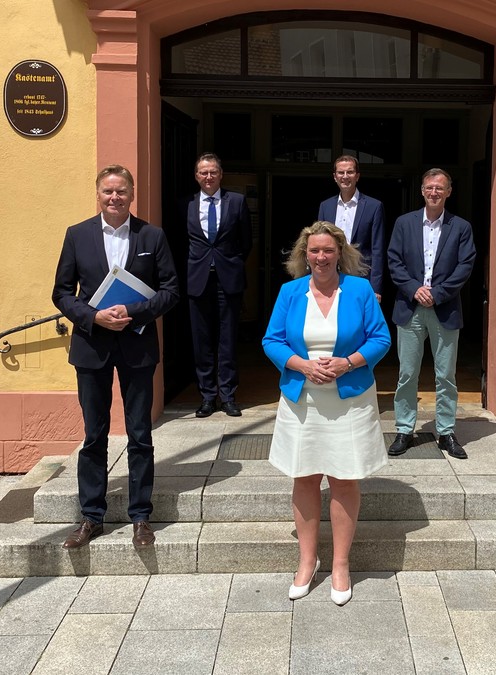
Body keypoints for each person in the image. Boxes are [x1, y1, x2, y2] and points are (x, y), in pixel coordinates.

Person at [262, 222, 391, 607]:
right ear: (305, 255)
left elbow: (381, 338)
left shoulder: (360, 290)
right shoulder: (289, 292)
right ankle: (306, 561)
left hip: (349, 399)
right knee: (304, 477)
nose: (320, 257)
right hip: (303, 400)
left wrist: (348, 363)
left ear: (340, 253)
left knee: (345, 479)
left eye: (328, 250)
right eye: (313, 251)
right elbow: (272, 340)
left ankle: (340, 564)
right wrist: (301, 365)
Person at [52, 165, 180, 550]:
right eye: (108, 191)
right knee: (95, 435)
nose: (114, 197)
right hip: (92, 346)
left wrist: (135, 312)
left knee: (140, 434)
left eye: (121, 191)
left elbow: (171, 290)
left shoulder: (151, 236)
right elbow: (61, 292)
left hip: (137, 345)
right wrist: (93, 317)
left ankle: (141, 516)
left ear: (132, 194)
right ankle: (91, 515)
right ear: (97, 194)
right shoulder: (77, 235)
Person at [386, 168, 476, 460]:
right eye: (429, 188)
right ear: (422, 191)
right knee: (407, 373)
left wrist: (436, 293)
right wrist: (415, 289)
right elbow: (394, 261)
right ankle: (404, 429)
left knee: (445, 376)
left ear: (449, 192)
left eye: (440, 188)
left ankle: (447, 431)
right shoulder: (404, 223)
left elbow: (465, 266)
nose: (434, 192)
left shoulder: (460, 227)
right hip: (410, 307)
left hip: (445, 308)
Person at [186, 152, 253, 418]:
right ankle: (207, 397)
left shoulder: (236, 201)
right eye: (204, 172)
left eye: (213, 171)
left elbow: (245, 241)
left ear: (221, 174)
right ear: (197, 176)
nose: (209, 176)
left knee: (227, 340)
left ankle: (227, 395)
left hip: (229, 279)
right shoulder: (186, 204)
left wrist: (230, 263)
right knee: (201, 341)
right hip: (197, 280)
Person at [316, 155, 386, 299]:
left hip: (361, 276)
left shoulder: (374, 206)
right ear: (335, 177)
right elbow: (319, 244)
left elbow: (377, 250)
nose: (345, 176)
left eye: (350, 172)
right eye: (341, 173)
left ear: (357, 176)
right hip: (330, 274)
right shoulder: (326, 206)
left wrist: (375, 288)